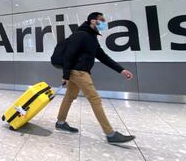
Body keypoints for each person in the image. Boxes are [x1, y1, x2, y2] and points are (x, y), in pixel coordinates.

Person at [55, 12, 135, 144]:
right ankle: (110, 134)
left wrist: (121, 70)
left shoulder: (92, 37)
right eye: (101, 20)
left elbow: (103, 57)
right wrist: (65, 75)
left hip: (79, 71)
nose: (104, 22)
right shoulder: (81, 35)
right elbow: (68, 55)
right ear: (93, 21)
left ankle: (60, 122)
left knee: (69, 96)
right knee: (95, 99)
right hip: (79, 72)